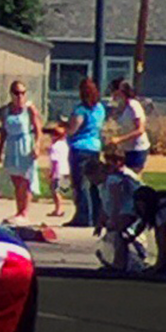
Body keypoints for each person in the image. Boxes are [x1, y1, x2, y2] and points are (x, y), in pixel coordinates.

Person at [0, 80, 43, 222]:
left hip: (25, 144)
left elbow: (38, 129)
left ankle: (25, 212)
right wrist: (0, 149)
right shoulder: (7, 110)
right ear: (11, 94)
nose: (20, 96)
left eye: (22, 93)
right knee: (16, 180)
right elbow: (3, 131)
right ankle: (18, 210)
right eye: (17, 93)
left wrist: (37, 145)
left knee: (26, 179)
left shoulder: (29, 110)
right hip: (12, 144)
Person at [64, 78, 106, 227]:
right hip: (94, 147)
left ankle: (82, 216)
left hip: (80, 148)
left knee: (80, 183)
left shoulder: (81, 110)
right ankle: (96, 216)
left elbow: (73, 128)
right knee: (93, 183)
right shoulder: (100, 108)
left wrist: (65, 127)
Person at [106, 79, 150, 172]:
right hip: (128, 149)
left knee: (132, 180)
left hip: (138, 149)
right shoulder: (124, 106)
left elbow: (140, 130)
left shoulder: (133, 105)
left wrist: (119, 139)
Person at [47, 125, 70, 220]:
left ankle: (58, 209)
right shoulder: (65, 145)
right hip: (65, 170)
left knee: (55, 190)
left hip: (57, 171)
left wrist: (52, 173)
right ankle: (60, 207)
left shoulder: (55, 147)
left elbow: (55, 161)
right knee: (62, 190)